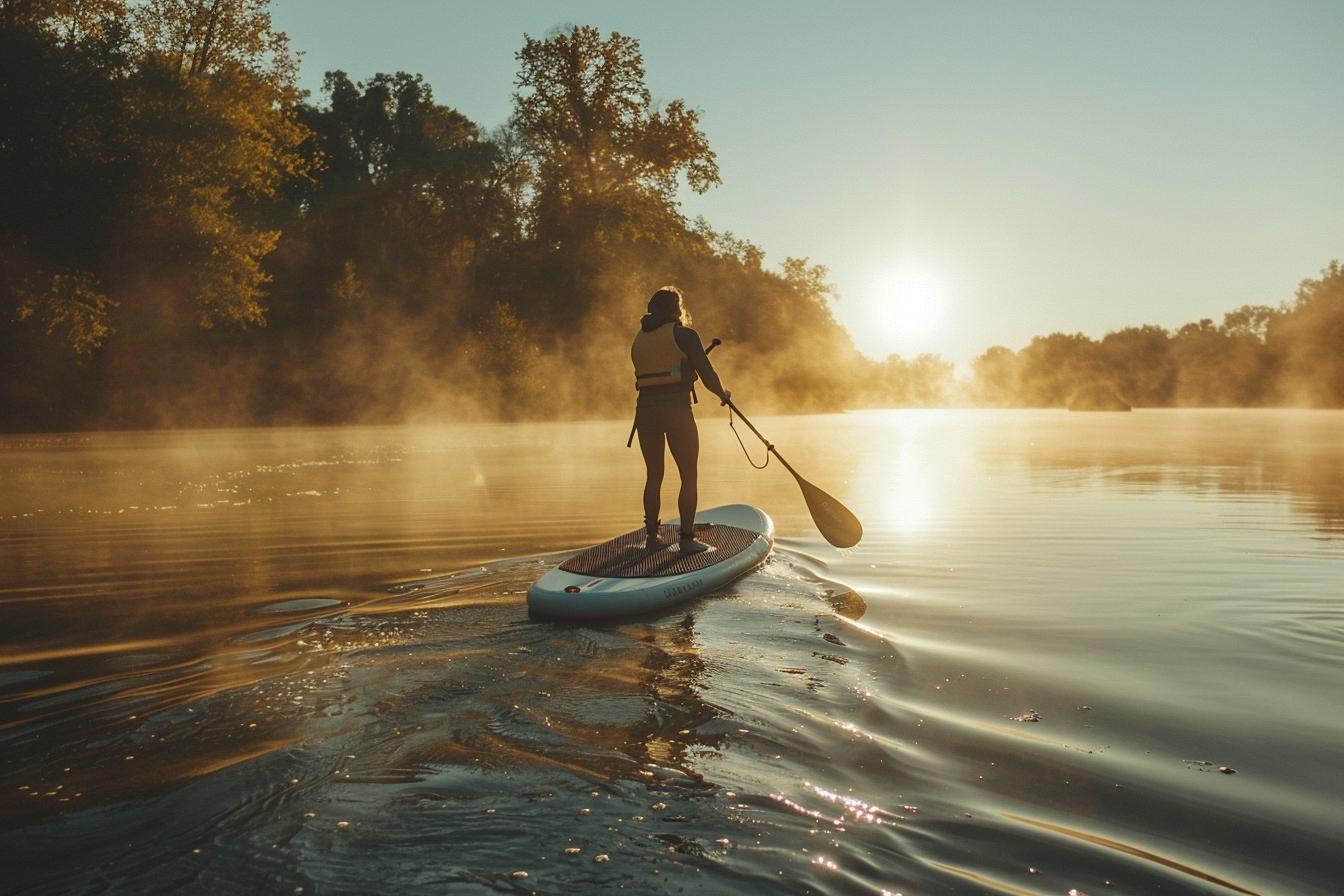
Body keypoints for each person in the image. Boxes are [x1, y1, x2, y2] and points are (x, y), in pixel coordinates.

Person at [630, 286, 730, 553]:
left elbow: (660, 371)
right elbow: (707, 375)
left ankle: (652, 537)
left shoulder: (639, 338)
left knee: (654, 475)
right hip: (676, 411)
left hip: (645, 412)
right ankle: (686, 539)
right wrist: (723, 394)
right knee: (689, 474)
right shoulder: (684, 335)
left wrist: (683, 372)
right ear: (677, 309)